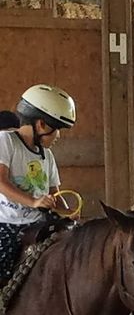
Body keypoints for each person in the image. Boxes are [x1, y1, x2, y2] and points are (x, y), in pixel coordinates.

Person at [0, 84, 76, 282]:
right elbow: (0, 181)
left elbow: (54, 195)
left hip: (39, 223)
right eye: (57, 129)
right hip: (8, 223)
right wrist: (33, 201)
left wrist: (67, 212)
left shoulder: (47, 156)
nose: (58, 136)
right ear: (41, 124)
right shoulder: (5, 141)